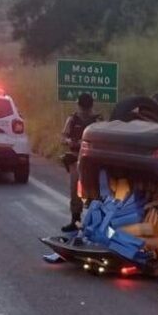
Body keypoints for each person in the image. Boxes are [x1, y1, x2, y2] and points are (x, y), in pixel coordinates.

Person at [60, 93, 102, 232]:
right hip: (75, 158)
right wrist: (70, 142)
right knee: (75, 191)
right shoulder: (72, 119)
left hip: (92, 160)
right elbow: (63, 138)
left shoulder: (97, 121)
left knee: (94, 191)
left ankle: (94, 222)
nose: (84, 111)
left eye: (86, 108)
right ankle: (75, 220)